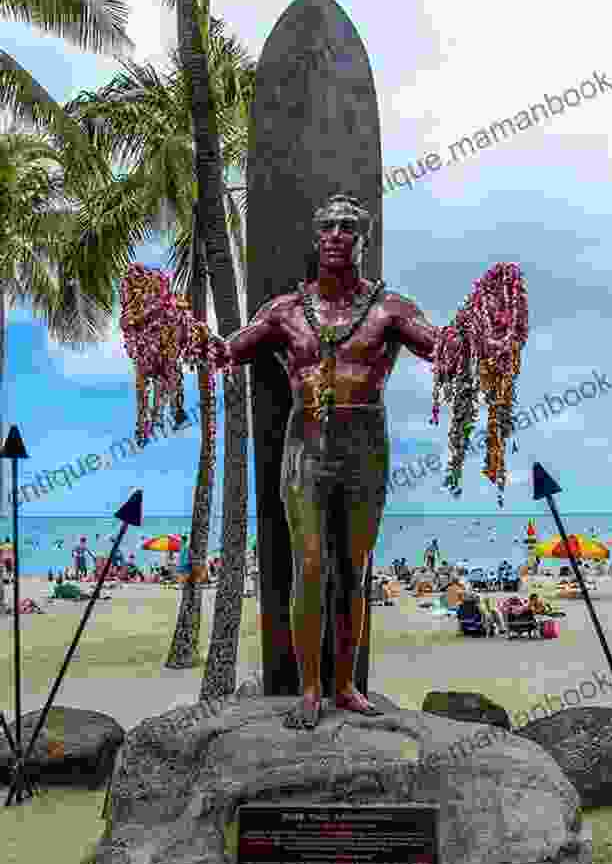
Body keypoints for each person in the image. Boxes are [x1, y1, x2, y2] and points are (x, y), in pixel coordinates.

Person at [213, 193, 526, 730]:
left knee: (354, 570)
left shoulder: (391, 310)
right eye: (328, 226)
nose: (337, 234)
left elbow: (444, 348)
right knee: (309, 566)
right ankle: (310, 688)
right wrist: (168, 327)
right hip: (304, 442)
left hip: (365, 443)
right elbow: (227, 350)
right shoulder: (286, 311)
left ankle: (345, 684)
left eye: (348, 227)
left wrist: (490, 322)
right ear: (316, 240)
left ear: (363, 240)